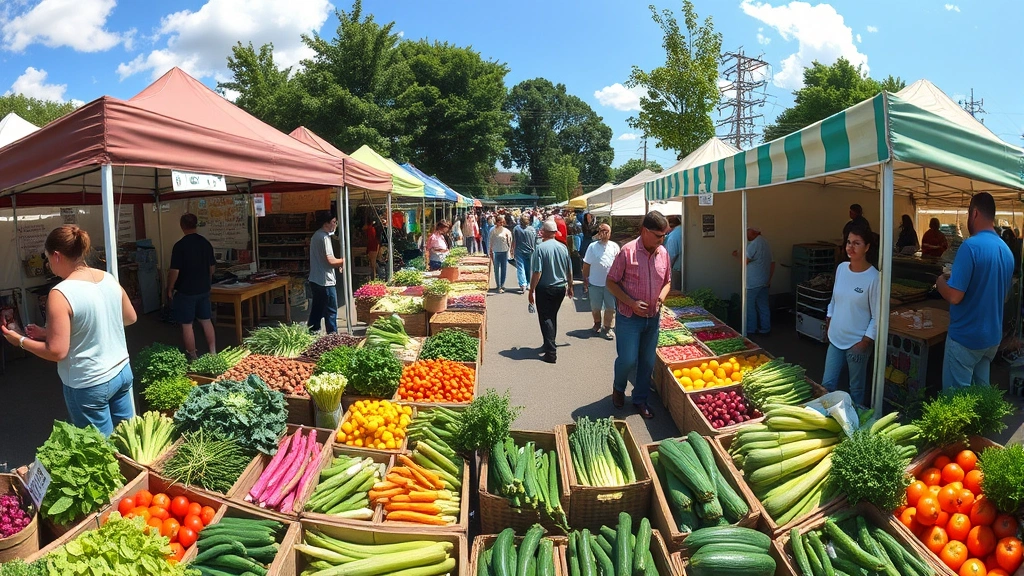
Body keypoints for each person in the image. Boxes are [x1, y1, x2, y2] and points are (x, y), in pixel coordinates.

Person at [1, 226, 137, 435]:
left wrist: (18, 340)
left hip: (90, 381)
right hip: (121, 371)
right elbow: (129, 317)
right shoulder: (107, 277)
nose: (48, 264)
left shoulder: (60, 292)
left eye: (47, 258)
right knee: (128, 438)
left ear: (56, 256)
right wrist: (48, 333)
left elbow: (57, 352)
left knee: (99, 451)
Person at [937, 192, 1014, 388]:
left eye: (968, 213)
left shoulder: (970, 247)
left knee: (957, 404)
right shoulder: (1006, 251)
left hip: (966, 338)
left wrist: (940, 283)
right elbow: (1003, 296)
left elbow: (954, 296)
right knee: (982, 397)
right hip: (991, 339)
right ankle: (985, 420)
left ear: (975, 213)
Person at [605, 212, 672, 420]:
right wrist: (631, 303)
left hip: (652, 318)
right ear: (645, 231)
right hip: (629, 318)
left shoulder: (663, 253)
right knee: (627, 359)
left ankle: (640, 399)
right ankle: (618, 388)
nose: (662, 240)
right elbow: (611, 282)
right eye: (658, 235)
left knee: (647, 361)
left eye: (664, 235)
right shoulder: (627, 252)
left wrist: (661, 296)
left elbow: (668, 281)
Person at [823, 221, 880, 406]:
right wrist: (829, 319)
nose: (851, 247)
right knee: (827, 385)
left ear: (867, 247)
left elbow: (877, 316)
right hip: (835, 339)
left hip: (857, 343)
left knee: (856, 389)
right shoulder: (841, 269)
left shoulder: (874, 277)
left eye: (857, 243)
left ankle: (856, 424)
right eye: (849, 242)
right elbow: (833, 300)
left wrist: (865, 342)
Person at [167, 213, 217, 359]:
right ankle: (213, 352)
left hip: (185, 291)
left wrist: (169, 288)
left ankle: (193, 356)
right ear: (196, 224)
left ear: (182, 226)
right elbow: (212, 268)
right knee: (206, 320)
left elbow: (174, 271)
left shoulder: (179, 246)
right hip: (203, 289)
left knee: (187, 324)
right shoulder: (206, 243)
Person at [528, 219, 573, 364]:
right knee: (552, 316)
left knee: (545, 318)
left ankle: (551, 352)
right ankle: (548, 343)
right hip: (560, 288)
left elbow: (537, 272)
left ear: (544, 232)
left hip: (545, 288)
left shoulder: (540, 248)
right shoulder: (563, 247)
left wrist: (531, 290)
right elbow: (569, 269)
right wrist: (570, 286)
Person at [308, 211, 345, 334]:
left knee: (317, 309)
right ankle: (332, 335)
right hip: (325, 281)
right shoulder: (323, 237)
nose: (335, 225)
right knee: (330, 310)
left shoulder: (316, 236)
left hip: (315, 279)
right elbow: (330, 261)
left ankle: (313, 332)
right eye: (334, 222)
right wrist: (343, 261)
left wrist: (338, 263)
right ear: (326, 223)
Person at [733, 226, 774, 335]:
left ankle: (750, 330)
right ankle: (766, 328)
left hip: (753, 282)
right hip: (764, 280)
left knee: (749, 306)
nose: (746, 235)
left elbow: (744, 262)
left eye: (748, 233)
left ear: (754, 233)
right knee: (763, 305)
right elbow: (772, 262)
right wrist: (769, 279)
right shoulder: (766, 242)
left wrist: (736, 256)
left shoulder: (754, 244)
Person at [583, 222, 620, 340]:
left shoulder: (614, 246)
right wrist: (585, 280)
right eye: (602, 231)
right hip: (595, 282)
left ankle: (608, 328)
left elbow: (619, 264)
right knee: (595, 306)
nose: (604, 234)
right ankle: (597, 323)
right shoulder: (592, 247)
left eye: (607, 231)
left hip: (611, 284)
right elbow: (586, 264)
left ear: (610, 233)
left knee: (611, 307)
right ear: (599, 233)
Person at [513, 214, 538, 294]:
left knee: (520, 268)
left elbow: (514, 240)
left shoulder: (516, 228)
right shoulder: (532, 229)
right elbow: (535, 240)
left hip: (519, 250)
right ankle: (528, 283)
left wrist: (512, 249)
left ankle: (523, 284)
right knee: (528, 267)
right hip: (530, 250)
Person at [489, 217, 514, 293]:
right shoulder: (492, 231)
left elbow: (510, 241)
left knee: (504, 269)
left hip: (504, 251)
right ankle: (498, 285)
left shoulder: (507, 231)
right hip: (496, 252)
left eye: (503, 222)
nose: (501, 224)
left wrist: (511, 250)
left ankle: (502, 284)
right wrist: (490, 251)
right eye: (500, 222)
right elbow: (490, 241)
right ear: (496, 222)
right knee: (496, 269)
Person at [665, 215, 682, 287]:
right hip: (687, 266)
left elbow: (671, 255)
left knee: (676, 290)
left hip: (676, 268)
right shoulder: (684, 230)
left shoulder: (673, 236)